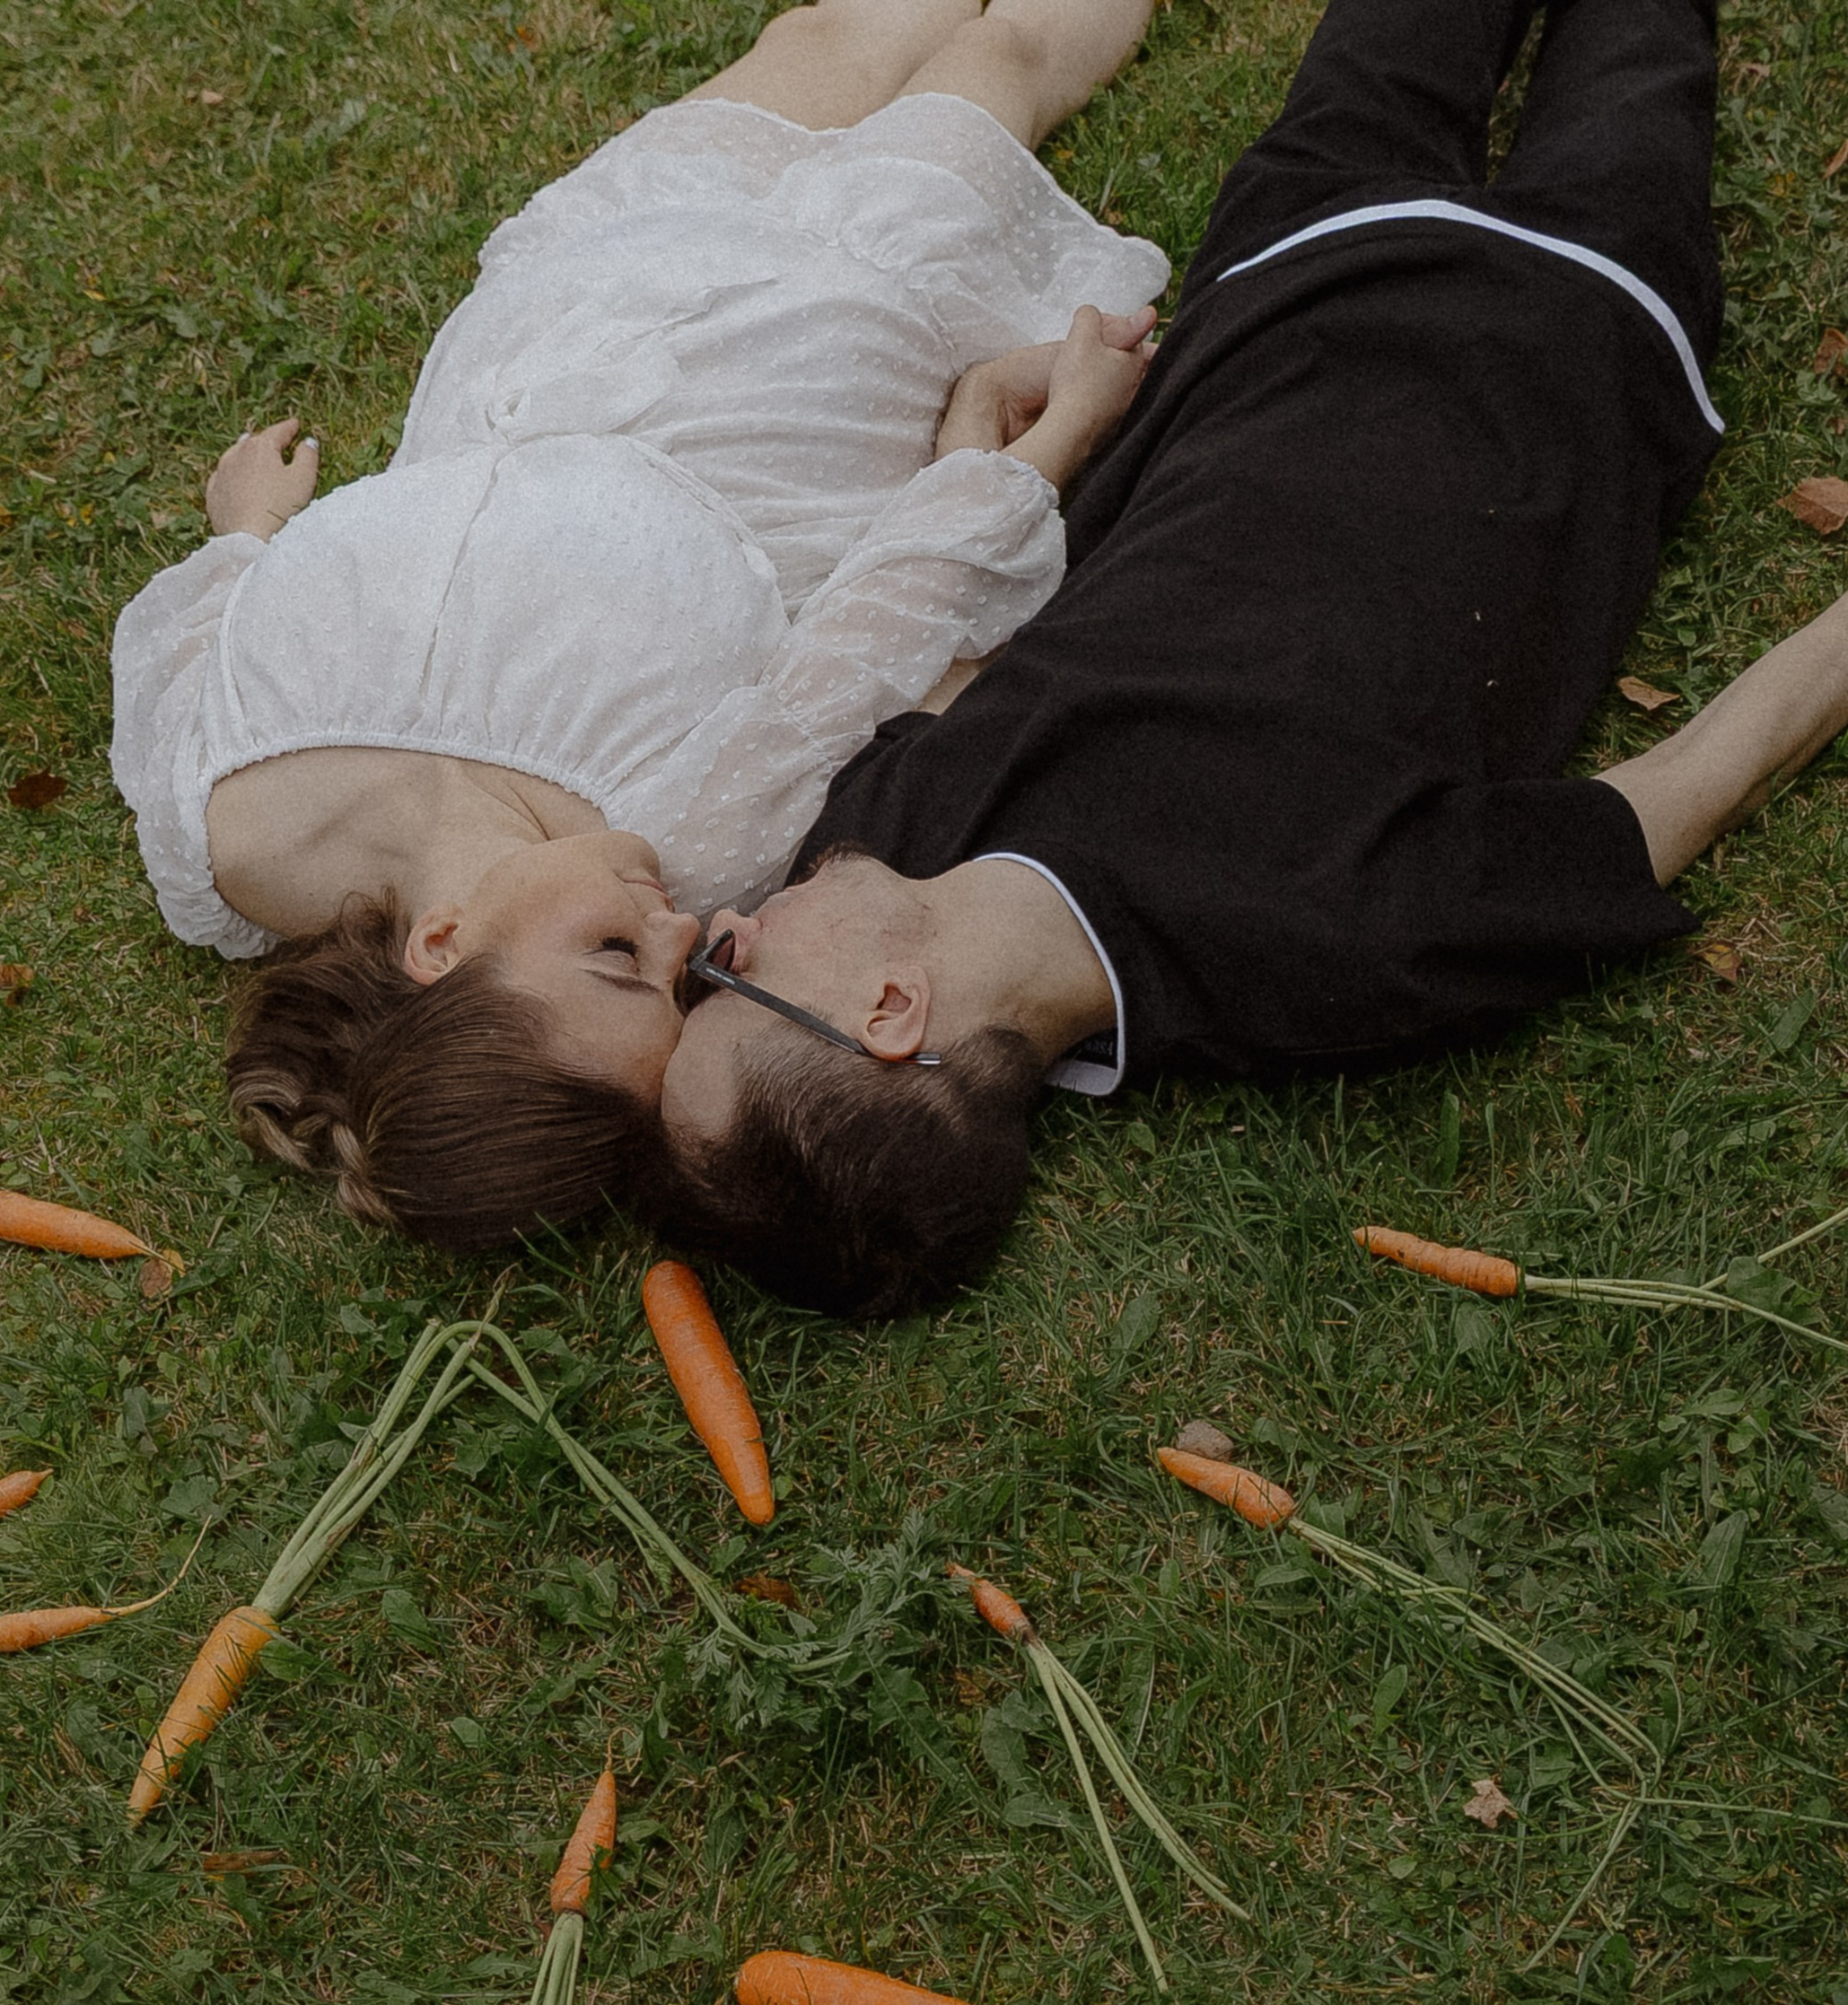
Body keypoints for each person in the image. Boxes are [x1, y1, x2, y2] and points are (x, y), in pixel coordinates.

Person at [644, 0, 1848, 1318]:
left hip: (1286, 260)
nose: (728, 932)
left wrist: (1007, 443)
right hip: (1581, 301)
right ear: (896, 1018)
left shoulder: (876, 847)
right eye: (733, 978)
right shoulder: (1328, 950)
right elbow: (1683, 792)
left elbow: (960, 645)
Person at [108, 0, 1167, 1246]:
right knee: (994, 64)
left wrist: (243, 540)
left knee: (819, 41)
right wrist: (1052, 442)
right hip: (806, 384)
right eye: (681, 979)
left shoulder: (226, 836)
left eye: (620, 954)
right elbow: (891, 624)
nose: (685, 928)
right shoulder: (698, 835)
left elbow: (180, 669)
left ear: (441, 945)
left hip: (568, 321)